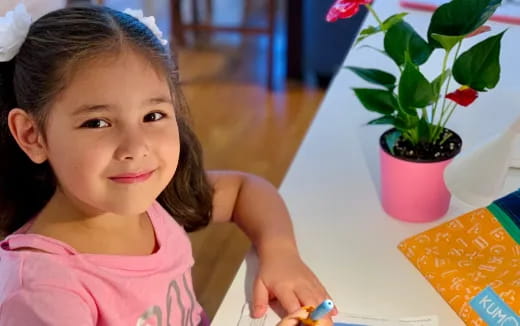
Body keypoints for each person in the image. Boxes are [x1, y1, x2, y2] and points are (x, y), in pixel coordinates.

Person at [0, 4, 334, 325]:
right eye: (98, 123)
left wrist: (280, 253)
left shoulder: (148, 200)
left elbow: (245, 190)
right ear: (32, 135)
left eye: (153, 116)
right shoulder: (43, 293)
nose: (135, 147)